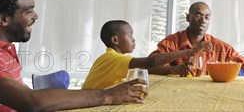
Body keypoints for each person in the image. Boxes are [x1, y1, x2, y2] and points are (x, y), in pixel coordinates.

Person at [0, 0, 146, 112]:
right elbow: (31, 102)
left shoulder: (2, 51)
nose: (36, 15)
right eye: (28, 11)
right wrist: (108, 96)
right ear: (3, 19)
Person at [82, 20, 211, 89]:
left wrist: (173, 69)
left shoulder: (116, 58)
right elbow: (151, 62)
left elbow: (147, 69)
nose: (133, 39)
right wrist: (191, 51)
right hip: (90, 102)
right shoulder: (112, 58)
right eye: (130, 35)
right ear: (115, 40)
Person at [148, 2, 244, 76]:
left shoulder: (219, 47)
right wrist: (173, 69)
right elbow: (149, 66)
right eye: (198, 15)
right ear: (188, 18)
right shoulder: (172, 42)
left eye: (207, 17)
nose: (203, 20)